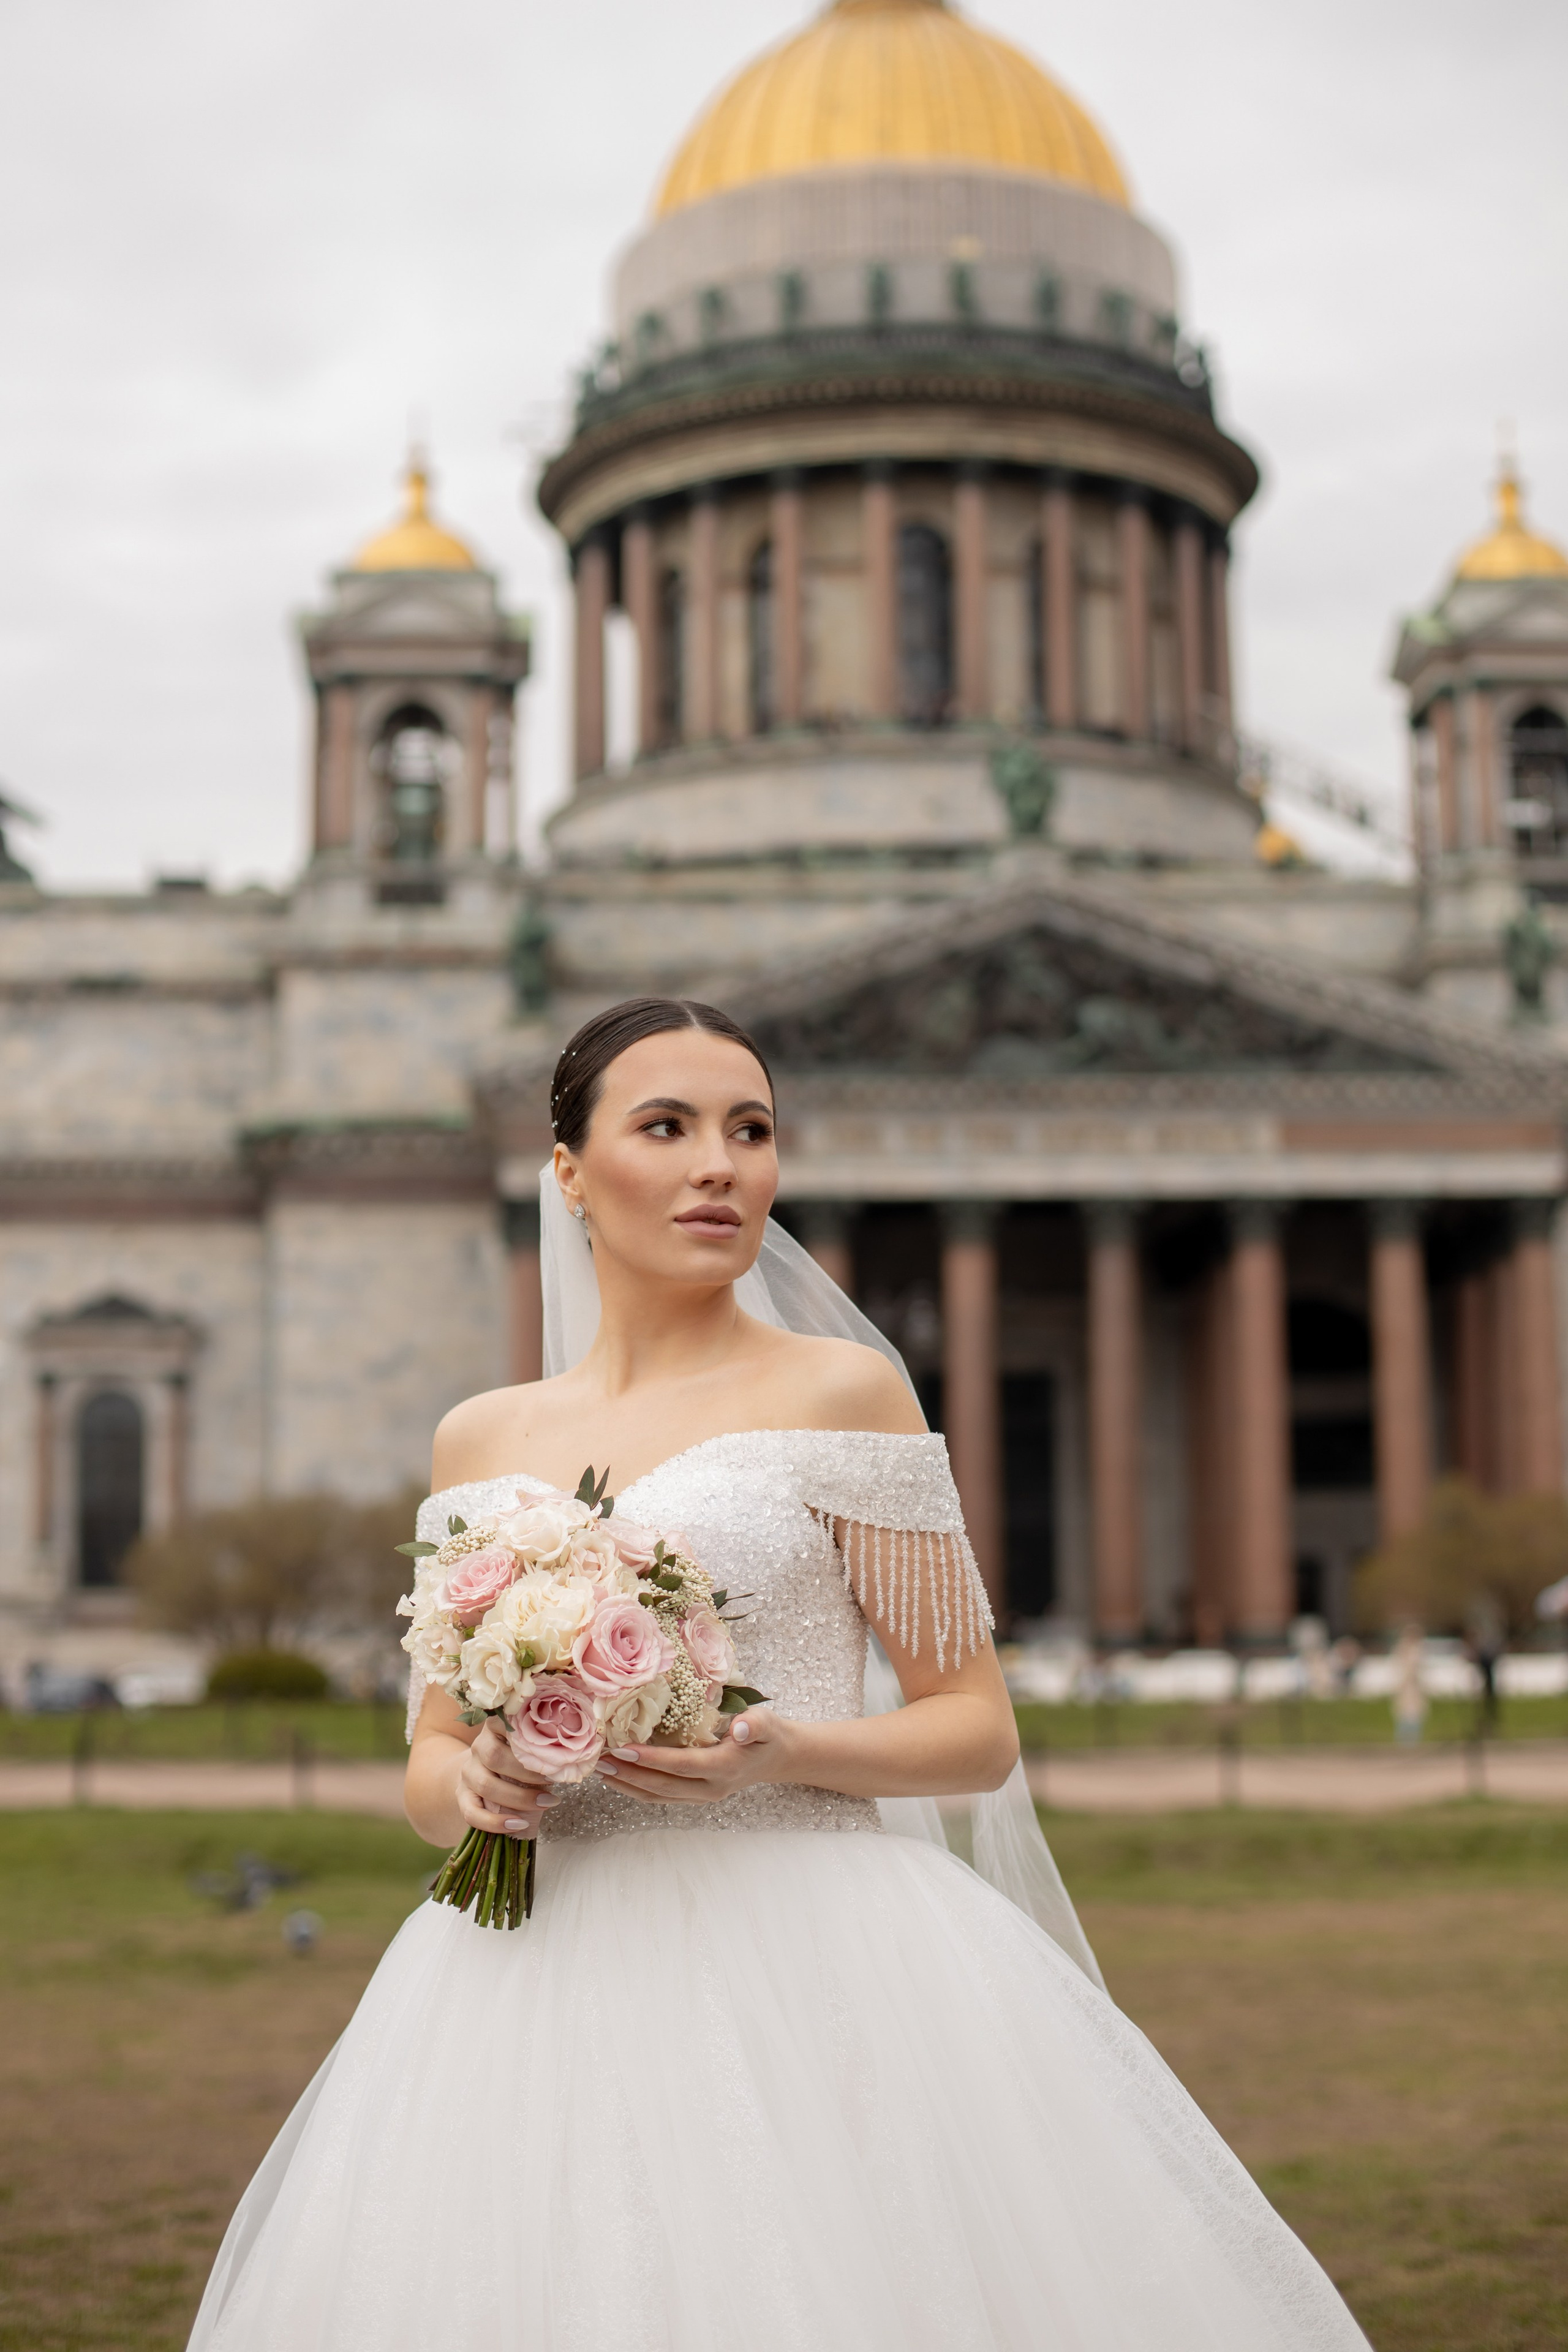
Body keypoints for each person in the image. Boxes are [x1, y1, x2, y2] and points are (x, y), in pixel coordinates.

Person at [188, 996, 1370, 2351]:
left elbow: (971, 1727)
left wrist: (784, 1750)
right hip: (530, 1973)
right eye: (668, 1126)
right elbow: (426, 1763)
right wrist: (484, 1782)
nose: (720, 1165)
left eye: (750, 1130)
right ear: (568, 1169)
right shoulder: (480, 1437)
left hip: (818, 1947)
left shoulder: (843, 1394)